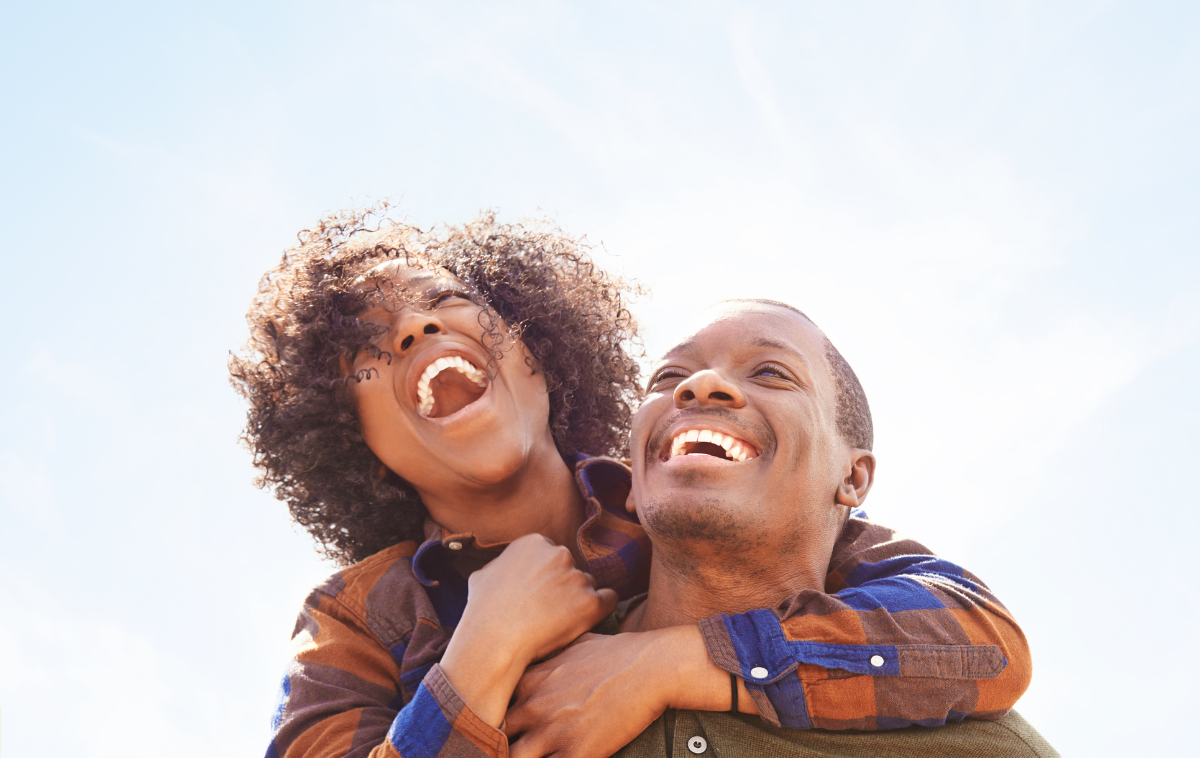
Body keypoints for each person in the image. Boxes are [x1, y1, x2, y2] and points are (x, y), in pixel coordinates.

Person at [231, 210, 1031, 758]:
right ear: (353, 438)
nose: (416, 329)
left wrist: (670, 663)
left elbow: (975, 639)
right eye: (368, 349)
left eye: (446, 303)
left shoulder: (695, 499)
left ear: (536, 351)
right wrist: (482, 654)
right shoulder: (360, 615)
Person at [506, 299, 1054, 757]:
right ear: (633, 479)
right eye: (668, 376)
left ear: (853, 478)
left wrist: (679, 661)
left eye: (771, 372)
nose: (697, 385)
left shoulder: (974, 738)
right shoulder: (512, 677)